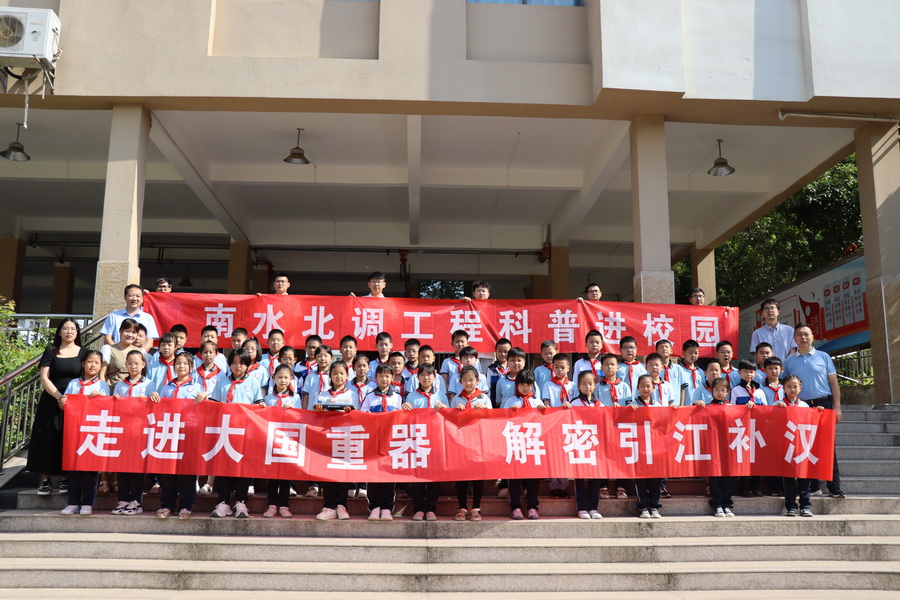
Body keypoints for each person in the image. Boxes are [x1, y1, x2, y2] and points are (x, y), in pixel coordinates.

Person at [782, 323, 844, 497]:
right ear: (794, 339)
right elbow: (784, 385)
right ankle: (813, 486)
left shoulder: (824, 357)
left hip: (823, 405)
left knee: (827, 445)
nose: (803, 337)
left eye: (806, 334)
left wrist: (837, 407)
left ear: (813, 337)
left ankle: (834, 486)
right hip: (800, 406)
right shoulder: (789, 361)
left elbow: (834, 383)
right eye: (799, 334)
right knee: (805, 445)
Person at [29, 319, 86, 496]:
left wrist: (71, 400)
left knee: (68, 438)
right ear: (59, 332)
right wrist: (59, 397)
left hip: (75, 402)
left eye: (73, 328)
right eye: (65, 328)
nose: (69, 331)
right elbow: (44, 378)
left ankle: (65, 478)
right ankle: (45, 479)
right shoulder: (51, 351)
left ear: (77, 332)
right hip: (52, 399)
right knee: (47, 436)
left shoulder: (84, 353)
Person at [151, 352, 206, 519]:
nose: (181, 366)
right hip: (169, 432)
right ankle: (167, 505)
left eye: (185, 363)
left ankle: (186, 505)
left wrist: (205, 397)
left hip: (189, 433)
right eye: (178, 363)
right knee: (168, 470)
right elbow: (159, 408)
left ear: (191, 367)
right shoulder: (166, 387)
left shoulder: (197, 387)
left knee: (188, 470)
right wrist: (154, 397)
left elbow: (204, 409)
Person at [210, 348, 263, 518]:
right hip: (225, 431)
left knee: (243, 468)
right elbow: (213, 405)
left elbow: (258, 405)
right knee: (223, 468)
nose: (237, 366)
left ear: (247, 365)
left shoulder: (253, 383)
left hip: (244, 432)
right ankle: (223, 502)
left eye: (241, 363)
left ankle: (241, 502)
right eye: (233, 363)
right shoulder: (222, 382)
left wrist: (261, 406)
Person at [57, 350, 109, 515]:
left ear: (101, 366)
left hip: (92, 432)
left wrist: (100, 397)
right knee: (73, 468)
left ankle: (87, 503)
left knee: (90, 469)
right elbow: (64, 405)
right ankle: (72, 502)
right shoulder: (74, 384)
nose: (93, 365)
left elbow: (107, 407)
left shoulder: (102, 386)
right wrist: (63, 403)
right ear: (83, 364)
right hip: (75, 431)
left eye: (96, 363)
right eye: (90, 362)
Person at [111, 349, 156, 516]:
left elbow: (154, 407)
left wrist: (154, 397)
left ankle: (136, 501)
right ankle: (123, 499)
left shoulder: (149, 385)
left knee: (137, 468)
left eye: (136, 363)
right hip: (123, 432)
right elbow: (113, 407)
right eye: (130, 363)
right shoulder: (120, 385)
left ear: (143, 364)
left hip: (140, 433)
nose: (133, 366)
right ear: (126, 365)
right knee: (122, 467)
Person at [403, 364, 447, 522]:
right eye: (422, 375)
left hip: (435, 440)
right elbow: (406, 419)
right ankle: (419, 508)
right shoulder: (412, 396)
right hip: (417, 440)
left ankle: (431, 508)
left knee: (435, 477)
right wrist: (404, 409)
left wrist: (444, 409)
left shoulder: (441, 395)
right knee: (417, 476)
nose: (426, 378)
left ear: (435, 377)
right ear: (417, 378)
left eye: (429, 374)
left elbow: (448, 418)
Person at [360, 364, 403, 521]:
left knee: (388, 475)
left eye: (387, 376)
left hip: (390, 443)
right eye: (381, 376)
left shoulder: (397, 397)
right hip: (373, 441)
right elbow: (362, 416)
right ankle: (374, 506)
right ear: (376, 378)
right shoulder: (370, 397)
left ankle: (387, 507)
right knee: (373, 474)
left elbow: (401, 419)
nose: (384, 379)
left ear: (392, 378)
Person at [450, 365, 491, 521]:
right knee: (461, 477)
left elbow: (492, 419)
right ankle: (462, 507)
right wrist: (455, 411)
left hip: (478, 442)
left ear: (478, 381)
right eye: (465, 380)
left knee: (477, 477)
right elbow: (450, 421)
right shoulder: (456, 399)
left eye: (471, 380)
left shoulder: (484, 398)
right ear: (460, 381)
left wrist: (485, 409)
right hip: (461, 442)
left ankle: (476, 508)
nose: (468, 383)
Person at [504, 370, 545, 520]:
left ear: (533, 385)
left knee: (533, 477)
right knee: (515, 477)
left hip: (533, 443)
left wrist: (543, 412)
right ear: (516, 385)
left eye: (528, 384)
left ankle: (533, 507)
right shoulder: (510, 401)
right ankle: (515, 507)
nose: (525, 387)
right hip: (516, 443)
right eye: (522, 384)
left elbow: (546, 422)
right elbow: (502, 420)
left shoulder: (537, 402)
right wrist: (511, 412)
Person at [693, 377, 736, 517]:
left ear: (727, 392)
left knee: (729, 476)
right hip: (713, 447)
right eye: (717, 390)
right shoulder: (706, 407)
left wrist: (750, 407)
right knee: (715, 476)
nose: (720, 393)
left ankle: (727, 504)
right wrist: (695, 405)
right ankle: (717, 504)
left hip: (729, 447)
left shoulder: (733, 408)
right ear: (711, 391)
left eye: (723, 390)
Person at [564, 370, 604, 518]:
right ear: (578, 386)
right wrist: (565, 408)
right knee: (579, 477)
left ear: (595, 385)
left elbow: (606, 419)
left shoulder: (599, 403)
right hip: (579, 444)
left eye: (590, 383)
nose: (587, 387)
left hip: (594, 444)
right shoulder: (573, 403)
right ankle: (581, 508)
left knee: (595, 476)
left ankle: (593, 508)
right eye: (584, 384)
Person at [630, 374, 662, 518]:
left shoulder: (659, 406)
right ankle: (642, 506)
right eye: (642, 386)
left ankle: (654, 506)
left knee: (656, 478)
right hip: (639, 448)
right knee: (641, 479)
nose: (645, 389)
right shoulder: (632, 405)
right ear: (638, 387)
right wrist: (629, 411)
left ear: (654, 387)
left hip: (655, 448)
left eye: (648, 386)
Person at [100, 284, 158, 351]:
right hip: (116, 354)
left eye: (138, 296)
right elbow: (107, 339)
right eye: (131, 295)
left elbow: (149, 342)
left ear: (142, 299)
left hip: (138, 356)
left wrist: (138, 354)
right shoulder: (114, 316)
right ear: (125, 297)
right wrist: (119, 353)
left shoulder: (148, 318)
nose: (134, 298)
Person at [99, 318, 139, 387]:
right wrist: (104, 390)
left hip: (134, 391)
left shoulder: (140, 352)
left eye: (134, 332)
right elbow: (102, 374)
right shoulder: (109, 349)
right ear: (120, 331)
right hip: (112, 390)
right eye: (127, 331)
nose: (130, 335)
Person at [572, 330, 606, 396]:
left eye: (597, 342)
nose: (594, 345)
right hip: (584, 397)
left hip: (602, 397)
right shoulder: (579, 363)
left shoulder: (605, 363)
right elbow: (575, 383)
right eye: (591, 342)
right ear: (586, 344)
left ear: (602, 345)